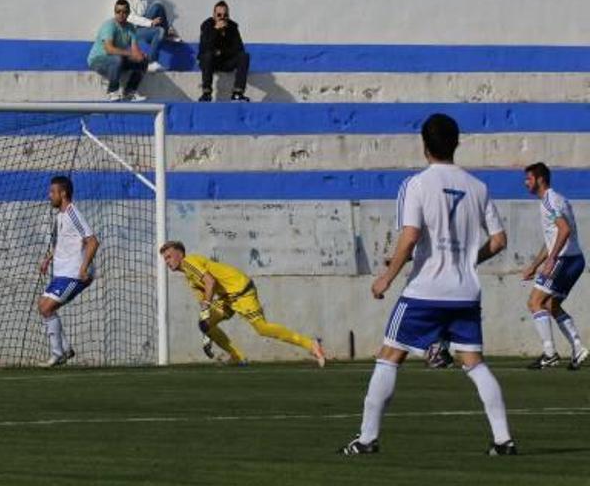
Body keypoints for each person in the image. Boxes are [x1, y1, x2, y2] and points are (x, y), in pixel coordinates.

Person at [339, 114, 516, 456]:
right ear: (456, 144)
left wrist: (385, 279)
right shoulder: (478, 187)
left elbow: (410, 237)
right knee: (475, 364)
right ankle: (503, 440)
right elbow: (498, 240)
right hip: (465, 292)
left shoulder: (416, 184)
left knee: (389, 357)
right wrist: (466, 261)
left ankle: (366, 439)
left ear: (424, 145)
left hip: (425, 291)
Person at [159, 241, 326, 366]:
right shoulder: (188, 276)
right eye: (165, 259)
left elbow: (209, 282)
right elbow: (204, 303)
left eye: (169, 256)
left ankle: (311, 344)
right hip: (226, 297)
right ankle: (238, 357)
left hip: (241, 291)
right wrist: (206, 331)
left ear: (180, 254)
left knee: (262, 328)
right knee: (205, 324)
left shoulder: (189, 262)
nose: (167, 261)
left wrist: (206, 307)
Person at [521, 162, 588, 370]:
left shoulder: (550, 201)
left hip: (564, 259)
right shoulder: (557, 199)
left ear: (540, 179)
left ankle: (549, 354)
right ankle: (578, 346)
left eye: (529, 179)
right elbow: (552, 238)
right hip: (575, 259)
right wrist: (535, 264)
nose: (526, 183)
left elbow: (564, 229)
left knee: (534, 302)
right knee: (551, 305)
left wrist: (551, 259)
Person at [38, 175, 100, 367]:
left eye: (52, 192)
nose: (49, 196)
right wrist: (48, 259)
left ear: (63, 194)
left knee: (48, 308)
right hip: (62, 272)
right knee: (42, 305)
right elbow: (63, 242)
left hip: (74, 273)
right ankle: (66, 349)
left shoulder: (73, 213)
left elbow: (93, 241)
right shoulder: (60, 216)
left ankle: (58, 354)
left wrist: (83, 269)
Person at [87, 0, 148, 102]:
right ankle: (112, 91)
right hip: (98, 60)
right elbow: (109, 49)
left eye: (124, 12)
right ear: (114, 12)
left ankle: (130, 92)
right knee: (117, 59)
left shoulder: (131, 28)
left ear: (128, 13)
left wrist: (140, 55)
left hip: (116, 60)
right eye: (118, 11)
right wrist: (130, 54)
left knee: (143, 61)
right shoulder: (109, 25)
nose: (121, 14)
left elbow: (135, 49)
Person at [197, 0, 250, 102]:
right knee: (207, 55)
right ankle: (206, 93)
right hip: (210, 62)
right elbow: (205, 47)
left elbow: (239, 49)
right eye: (219, 15)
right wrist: (216, 30)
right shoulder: (207, 25)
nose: (222, 17)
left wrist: (220, 52)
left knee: (244, 56)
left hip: (226, 61)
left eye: (225, 15)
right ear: (214, 15)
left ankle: (237, 93)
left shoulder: (232, 27)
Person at [118, 0, 182, 73]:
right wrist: (150, 22)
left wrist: (166, 26)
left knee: (158, 5)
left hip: (142, 28)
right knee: (159, 31)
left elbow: (149, 15)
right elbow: (130, 18)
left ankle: (167, 33)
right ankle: (150, 63)